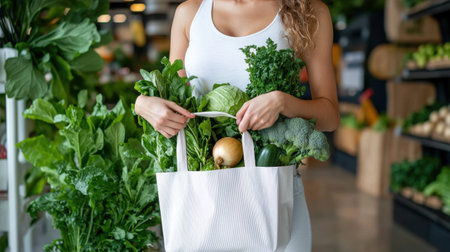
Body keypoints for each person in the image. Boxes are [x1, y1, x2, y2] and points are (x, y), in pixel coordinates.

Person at [135, 0, 339, 251]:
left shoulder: (307, 11)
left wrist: (283, 102)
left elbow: (330, 116)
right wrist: (143, 104)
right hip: (204, 200)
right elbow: (173, 97)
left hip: (273, 195)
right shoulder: (190, 13)